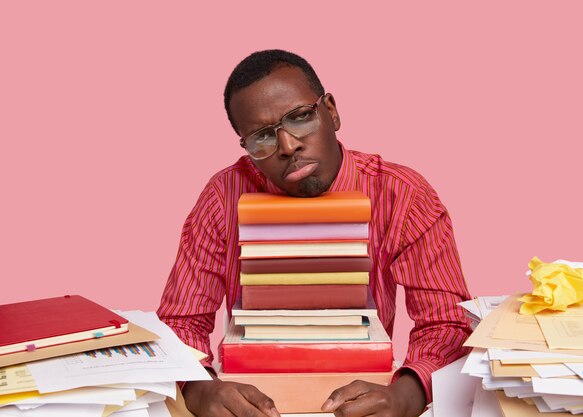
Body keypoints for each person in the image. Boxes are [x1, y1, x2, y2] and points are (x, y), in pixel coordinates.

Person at [157, 49, 472, 417]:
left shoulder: (403, 194)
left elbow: (446, 322)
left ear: (332, 112)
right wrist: (199, 387)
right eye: (262, 137)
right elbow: (182, 323)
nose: (288, 146)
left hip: (365, 401)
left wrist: (408, 393)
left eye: (301, 117)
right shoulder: (223, 197)